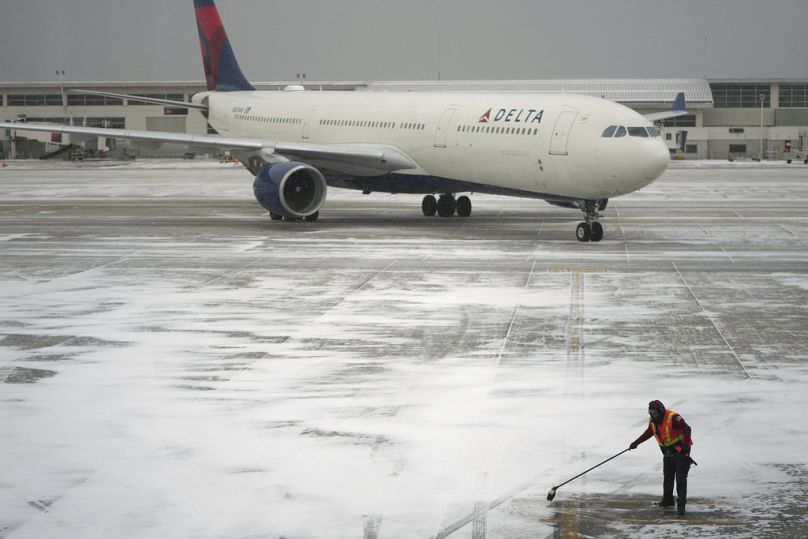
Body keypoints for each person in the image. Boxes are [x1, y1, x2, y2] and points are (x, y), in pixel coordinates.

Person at [629, 400, 693, 515]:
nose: (653, 415)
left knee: (680, 478)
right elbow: (650, 432)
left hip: (681, 452)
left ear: (661, 411)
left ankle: (681, 505)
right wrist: (636, 443)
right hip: (667, 453)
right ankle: (668, 501)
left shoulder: (673, 418)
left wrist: (685, 445)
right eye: (651, 413)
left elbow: (687, 429)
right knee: (668, 476)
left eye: (655, 413)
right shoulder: (653, 421)